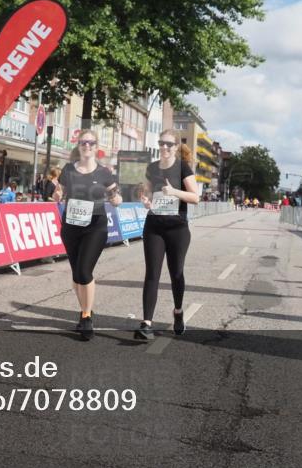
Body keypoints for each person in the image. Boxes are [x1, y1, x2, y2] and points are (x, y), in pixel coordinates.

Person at [52, 129, 122, 341]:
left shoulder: (104, 173)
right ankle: (85, 309)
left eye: (91, 143)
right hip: (71, 227)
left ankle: (86, 317)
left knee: (84, 271)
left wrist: (115, 199)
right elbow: (60, 192)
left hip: (95, 227)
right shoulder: (68, 170)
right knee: (76, 276)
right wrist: (57, 194)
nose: (87, 146)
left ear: (96, 146)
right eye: (83, 142)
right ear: (78, 144)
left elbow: (114, 194)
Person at [135, 131, 200, 340]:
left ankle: (178, 312)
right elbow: (147, 193)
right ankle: (146, 323)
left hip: (177, 229)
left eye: (169, 144)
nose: (164, 147)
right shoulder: (152, 168)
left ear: (176, 147)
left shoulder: (182, 167)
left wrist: (174, 193)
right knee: (152, 273)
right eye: (161, 143)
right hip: (154, 225)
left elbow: (195, 197)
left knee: (176, 274)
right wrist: (145, 200)